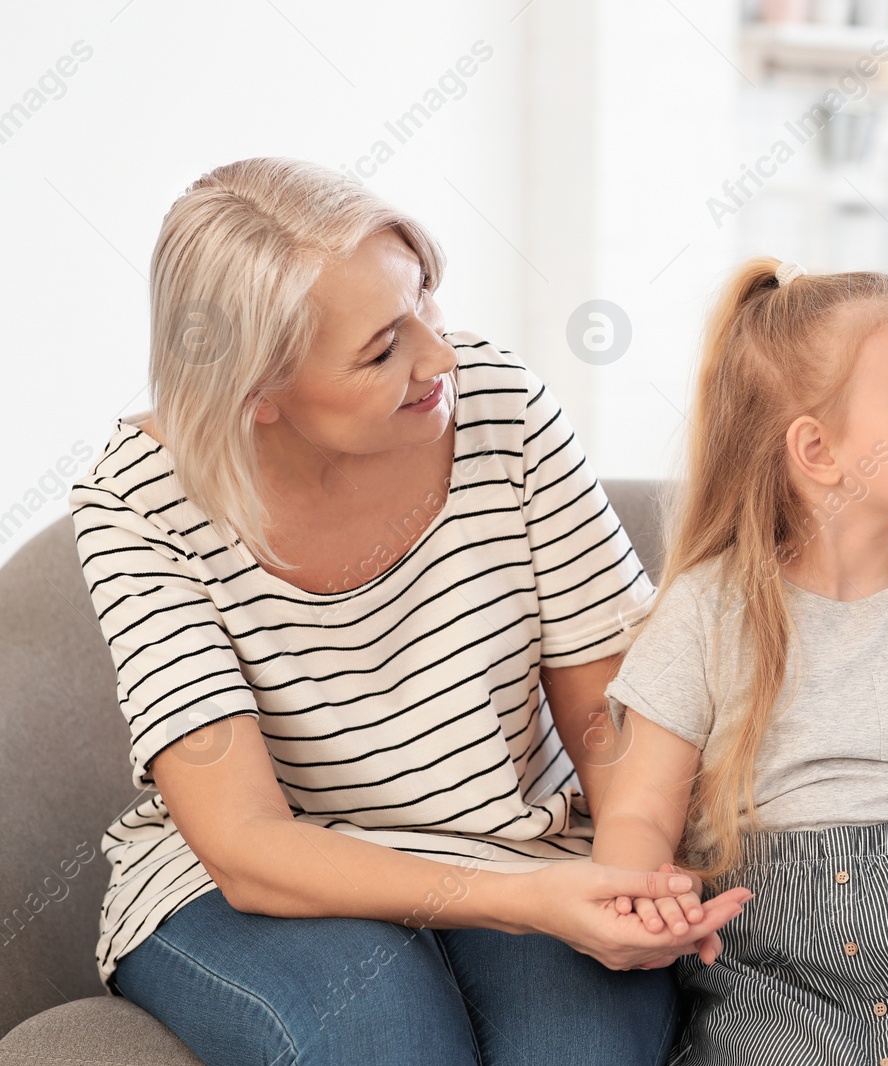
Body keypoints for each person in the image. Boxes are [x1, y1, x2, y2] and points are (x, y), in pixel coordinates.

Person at [67, 157, 746, 1066]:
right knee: (386, 1044)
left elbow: (607, 722)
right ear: (257, 396)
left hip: (525, 850)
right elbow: (246, 844)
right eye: (382, 348)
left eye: (424, 299)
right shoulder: (138, 499)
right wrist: (526, 903)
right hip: (257, 884)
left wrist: (634, 872)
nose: (440, 355)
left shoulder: (503, 407)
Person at [590, 257, 888, 1065]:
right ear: (816, 449)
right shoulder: (705, 615)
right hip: (769, 985)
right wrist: (648, 893)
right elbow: (639, 815)